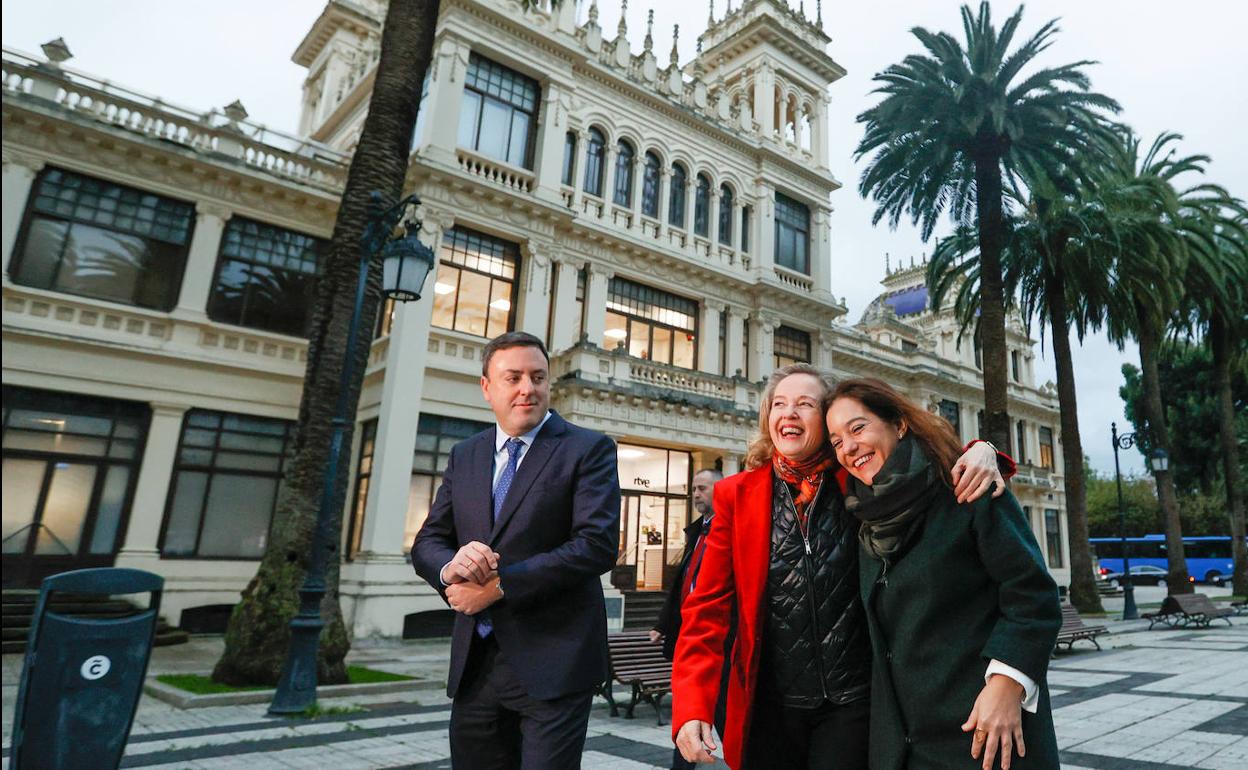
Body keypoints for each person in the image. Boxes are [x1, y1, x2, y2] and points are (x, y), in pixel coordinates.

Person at [672, 364, 1013, 770]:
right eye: (779, 404)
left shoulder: (858, 476)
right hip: (769, 708)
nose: (789, 413)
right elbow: (705, 609)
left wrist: (982, 451)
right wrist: (692, 705)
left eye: (805, 404)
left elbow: (917, 458)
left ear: (828, 418)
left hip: (853, 705)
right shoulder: (736, 495)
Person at [410, 331, 621, 770]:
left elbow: (595, 546)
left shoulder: (588, 448)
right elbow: (428, 541)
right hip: (476, 665)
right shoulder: (466, 454)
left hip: (555, 663)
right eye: (514, 378)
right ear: (487, 388)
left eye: (538, 377)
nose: (528, 388)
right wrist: (451, 568)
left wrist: (499, 587)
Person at [826, 378, 1060, 770]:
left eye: (858, 428)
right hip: (906, 748)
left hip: (984, 733)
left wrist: (1008, 682)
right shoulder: (862, 519)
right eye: (836, 441)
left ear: (899, 424)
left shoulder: (967, 488)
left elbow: (1033, 595)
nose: (848, 447)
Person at [651, 468, 726, 770]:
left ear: (721, 491)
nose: (696, 494)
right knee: (688, 715)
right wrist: (663, 624)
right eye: (694, 488)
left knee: (723, 714)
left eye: (703, 488)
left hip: (720, 640)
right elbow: (683, 584)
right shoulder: (697, 532)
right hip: (687, 637)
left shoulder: (728, 529)